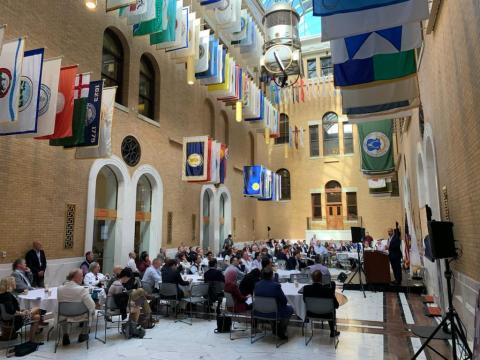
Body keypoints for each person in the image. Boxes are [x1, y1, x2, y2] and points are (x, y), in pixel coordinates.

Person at [57, 268, 96, 346]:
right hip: (80, 315)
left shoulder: (59, 289)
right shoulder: (82, 289)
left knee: (65, 314)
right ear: (75, 277)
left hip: (63, 314)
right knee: (90, 310)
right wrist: (92, 310)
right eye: (81, 276)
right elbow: (92, 305)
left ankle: (65, 334)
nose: (82, 278)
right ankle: (83, 334)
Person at [254, 267, 293, 340]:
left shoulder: (257, 285)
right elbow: (284, 301)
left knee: (274, 308)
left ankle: (275, 327)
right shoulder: (276, 286)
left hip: (259, 311)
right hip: (273, 312)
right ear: (272, 275)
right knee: (290, 309)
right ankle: (280, 329)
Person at [0, 277, 42, 342]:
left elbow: (10, 309)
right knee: (38, 309)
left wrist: (21, 311)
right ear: (10, 284)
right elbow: (10, 311)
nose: (15, 284)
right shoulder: (7, 296)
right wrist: (22, 313)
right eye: (14, 282)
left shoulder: (2, 294)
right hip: (15, 320)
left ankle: (33, 338)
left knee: (36, 315)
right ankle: (32, 340)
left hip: (6, 321)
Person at [302, 270, 340, 338]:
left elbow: (305, 301)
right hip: (326, 314)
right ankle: (332, 331)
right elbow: (336, 305)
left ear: (312, 278)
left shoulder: (306, 289)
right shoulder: (328, 290)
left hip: (311, 313)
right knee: (333, 309)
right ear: (321, 278)